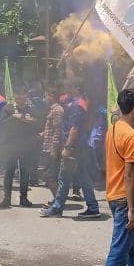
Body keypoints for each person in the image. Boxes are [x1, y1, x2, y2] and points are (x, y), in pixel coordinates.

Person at [95, 89, 134, 266]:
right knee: (119, 248)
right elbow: (129, 173)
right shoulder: (132, 136)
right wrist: (132, 209)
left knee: (130, 245)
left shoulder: (112, 129)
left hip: (113, 194)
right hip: (125, 198)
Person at [40, 83, 100, 219]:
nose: (66, 89)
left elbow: (74, 128)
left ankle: (57, 208)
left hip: (74, 148)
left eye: (70, 87)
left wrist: (67, 147)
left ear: (77, 89)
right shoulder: (81, 104)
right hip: (80, 146)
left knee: (64, 178)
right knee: (83, 178)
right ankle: (93, 207)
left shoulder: (77, 106)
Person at [0, 92, 38, 208]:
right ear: (15, 97)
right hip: (11, 145)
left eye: (24, 96)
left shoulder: (30, 109)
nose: (22, 99)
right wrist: (14, 117)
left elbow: (37, 123)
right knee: (9, 172)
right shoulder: (8, 109)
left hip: (26, 146)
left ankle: (23, 198)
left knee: (25, 172)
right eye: (20, 96)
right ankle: (7, 199)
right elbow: (2, 124)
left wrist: (30, 121)